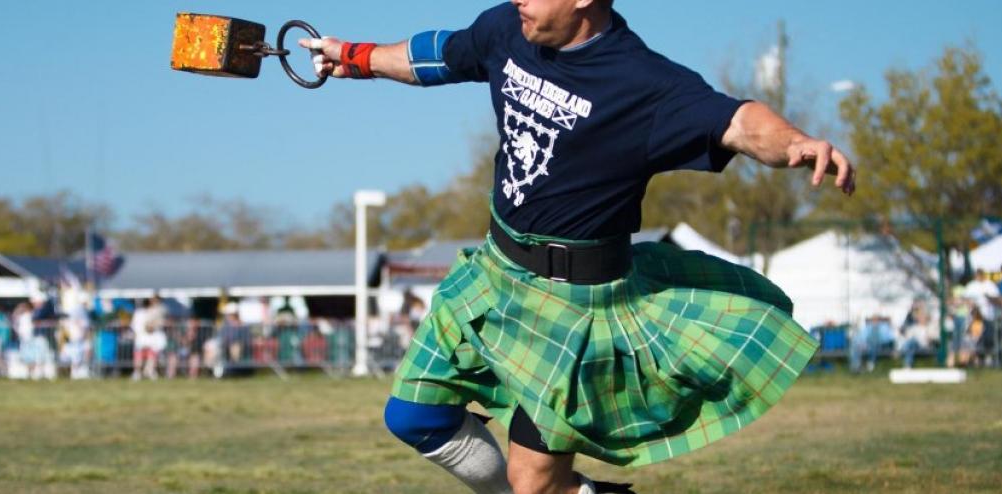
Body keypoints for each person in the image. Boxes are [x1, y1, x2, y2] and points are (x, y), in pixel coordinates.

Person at [299, 1, 854, 491]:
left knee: (533, 482)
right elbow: (442, 53)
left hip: (575, 310)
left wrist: (795, 143)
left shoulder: (645, 84)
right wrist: (353, 56)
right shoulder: (509, 29)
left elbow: (737, 121)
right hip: (494, 273)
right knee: (412, 417)